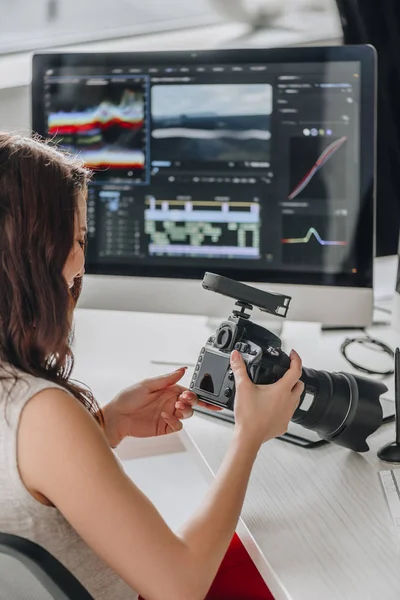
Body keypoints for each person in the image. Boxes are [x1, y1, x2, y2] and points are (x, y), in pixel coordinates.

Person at [0, 132, 304, 600]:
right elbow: (180, 586)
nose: (82, 259)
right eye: (78, 238)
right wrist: (249, 436)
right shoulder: (41, 412)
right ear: (32, 254)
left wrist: (108, 424)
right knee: (303, 559)